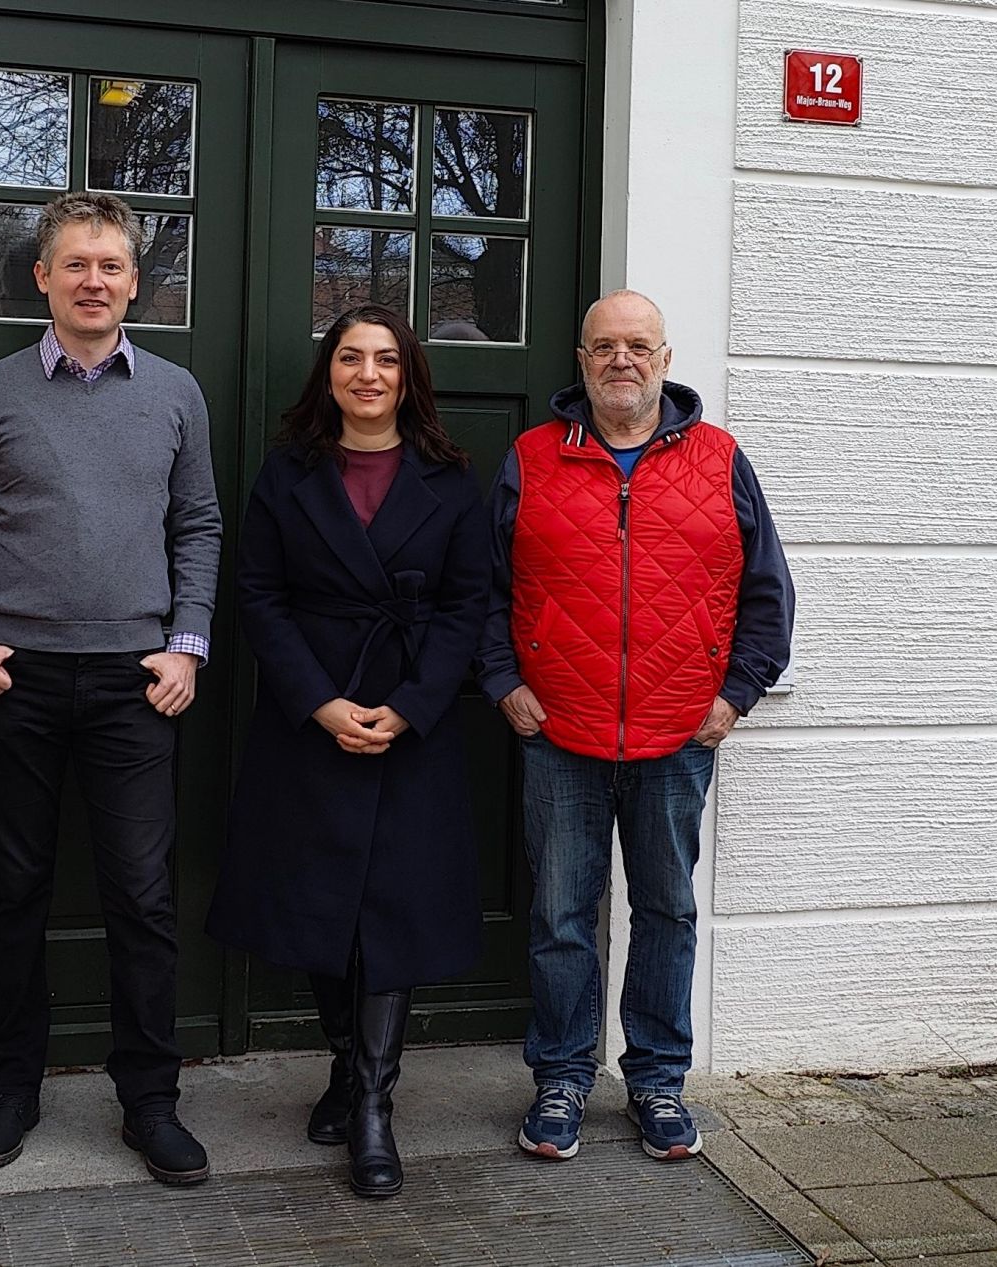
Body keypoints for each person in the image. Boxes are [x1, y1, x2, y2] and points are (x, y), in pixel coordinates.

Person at [0, 191, 223, 1186]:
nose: (94, 280)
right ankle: (12, 1086)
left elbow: (199, 525)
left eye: (112, 266)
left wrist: (187, 644)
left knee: (140, 897)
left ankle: (149, 1099)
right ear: (40, 276)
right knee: (13, 894)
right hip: (14, 682)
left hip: (138, 684)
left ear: (136, 280)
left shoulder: (174, 392)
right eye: (75, 264)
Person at [477, 289, 794, 1163]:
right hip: (562, 734)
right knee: (560, 914)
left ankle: (656, 1078)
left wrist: (738, 693)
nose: (622, 359)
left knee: (667, 911)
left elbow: (768, 594)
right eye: (604, 345)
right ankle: (562, 1079)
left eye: (638, 345)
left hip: (677, 735)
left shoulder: (720, 458)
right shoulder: (532, 457)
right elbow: (485, 590)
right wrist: (503, 680)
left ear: (664, 356)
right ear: (581, 360)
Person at [206, 304, 490, 1199]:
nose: (368, 374)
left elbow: (467, 605)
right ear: (328, 373)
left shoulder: (450, 478)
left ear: (409, 377)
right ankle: (341, 1063)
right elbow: (257, 595)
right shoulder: (286, 473)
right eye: (351, 359)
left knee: (392, 912)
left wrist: (407, 708)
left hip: (412, 722)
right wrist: (323, 704)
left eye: (386, 361)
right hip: (312, 718)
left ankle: (373, 1100)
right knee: (317, 902)